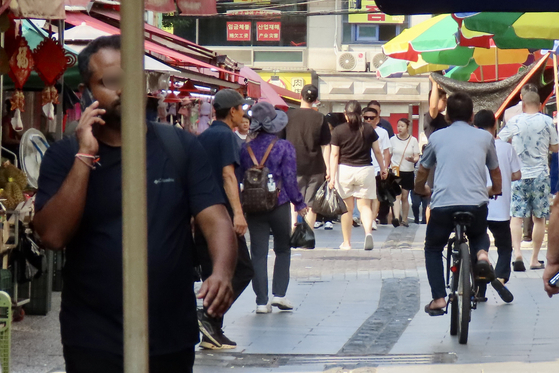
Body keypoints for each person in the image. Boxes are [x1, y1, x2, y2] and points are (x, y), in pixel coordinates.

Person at [32, 35, 237, 372]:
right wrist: (85, 156)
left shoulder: (180, 146)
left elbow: (214, 216)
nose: (125, 89)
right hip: (93, 337)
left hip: (170, 335)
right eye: (111, 81)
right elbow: (52, 236)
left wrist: (222, 272)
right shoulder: (64, 156)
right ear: (87, 92)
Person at [415, 92, 502, 316]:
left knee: (433, 248)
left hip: (443, 205)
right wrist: (496, 190)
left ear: (447, 116)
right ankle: (482, 255)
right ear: (472, 116)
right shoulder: (485, 138)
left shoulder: (436, 137)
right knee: (478, 233)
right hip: (476, 203)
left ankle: (438, 298)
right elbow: (495, 171)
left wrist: (421, 189)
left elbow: (423, 170)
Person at [196, 89, 255, 350]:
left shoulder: (204, 136)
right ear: (232, 111)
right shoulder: (227, 137)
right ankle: (207, 317)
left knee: (213, 270)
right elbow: (228, 175)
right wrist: (238, 213)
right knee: (241, 269)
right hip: (221, 214)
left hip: (201, 213)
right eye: (241, 109)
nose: (244, 114)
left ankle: (212, 331)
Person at [239, 102, 308, 314]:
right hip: (279, 203)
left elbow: (239, 177)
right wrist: (299, 203)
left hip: (253, 205)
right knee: (282, 248)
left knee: (258, 253)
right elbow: (289, 179)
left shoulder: (244, 148)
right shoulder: (284, 147)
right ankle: (280, 295)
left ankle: (261, 302)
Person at [498, 91, 559, 271]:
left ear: (523, 105)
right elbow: (556, 148)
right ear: (540, 105)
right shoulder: (547, 121)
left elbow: (500, 140)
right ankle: (534, 258)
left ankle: (517, 254)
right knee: (539, 218)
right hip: (540, 174)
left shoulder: (514, 122)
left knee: (516, 217)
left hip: (518, 175)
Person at [475, 109, 520, 303]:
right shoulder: (506, 148)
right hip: (501, 207)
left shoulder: (473, 147)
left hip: (479, 205)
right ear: (495, 126)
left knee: (478, 244)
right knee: (504, 246)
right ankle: (501, 277)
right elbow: (517, 175)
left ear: (475, 127)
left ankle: (479, 290)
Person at [329, 100, 387, 251]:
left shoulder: (338, 130)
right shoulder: (368, 129)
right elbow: (378, 151)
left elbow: (334, 155)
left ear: (345, 114)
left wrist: (332, 175)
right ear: (361, 114)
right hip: (365, 170)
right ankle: (368, 232)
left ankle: (347, 243)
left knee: (347, 209)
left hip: (345, 171)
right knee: (364, 206)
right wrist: (383, 168)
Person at [285, 84, 331, 231]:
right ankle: (308, 235)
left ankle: (293, 232)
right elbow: (326, 145)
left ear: (300, 96)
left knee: (293, 201)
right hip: (316, 167)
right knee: (311, 204)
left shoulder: (288, 116)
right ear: (316, 100)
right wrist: (328, 167)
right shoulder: (320, 118)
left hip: (292, 166)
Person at [503, 84, 539, 243]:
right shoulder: (541, 117)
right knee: (536, 210)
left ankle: (517, 250)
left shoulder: (509, 114)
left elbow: (503, 139)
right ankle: (528, 233)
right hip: (537, 166)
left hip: (516, 162)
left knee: (517, 206)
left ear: (521, 97)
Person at [363, 107, 391, 230]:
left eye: (371, 118)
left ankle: (373, 219)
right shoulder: (359, 130)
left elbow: (385, 151)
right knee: (365, 196)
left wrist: (384, 167)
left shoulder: (383, 132)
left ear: (377, 119)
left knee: (375, 195)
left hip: (376, 167)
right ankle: (366, 217)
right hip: (362, 166)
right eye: (366, 117)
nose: (368, 120)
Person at [390, 118, 419, 227]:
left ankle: (405, 219)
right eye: (398, 126)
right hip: (396, 171)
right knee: (397, 195)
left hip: (408, 171)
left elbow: (417, 156)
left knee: (405, 196)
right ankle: (397, 217)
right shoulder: (392, 140)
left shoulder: (413, 140)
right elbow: (388, 154)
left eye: (402, 126)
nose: (400, 128)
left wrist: (413, 159)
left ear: (407, 127)